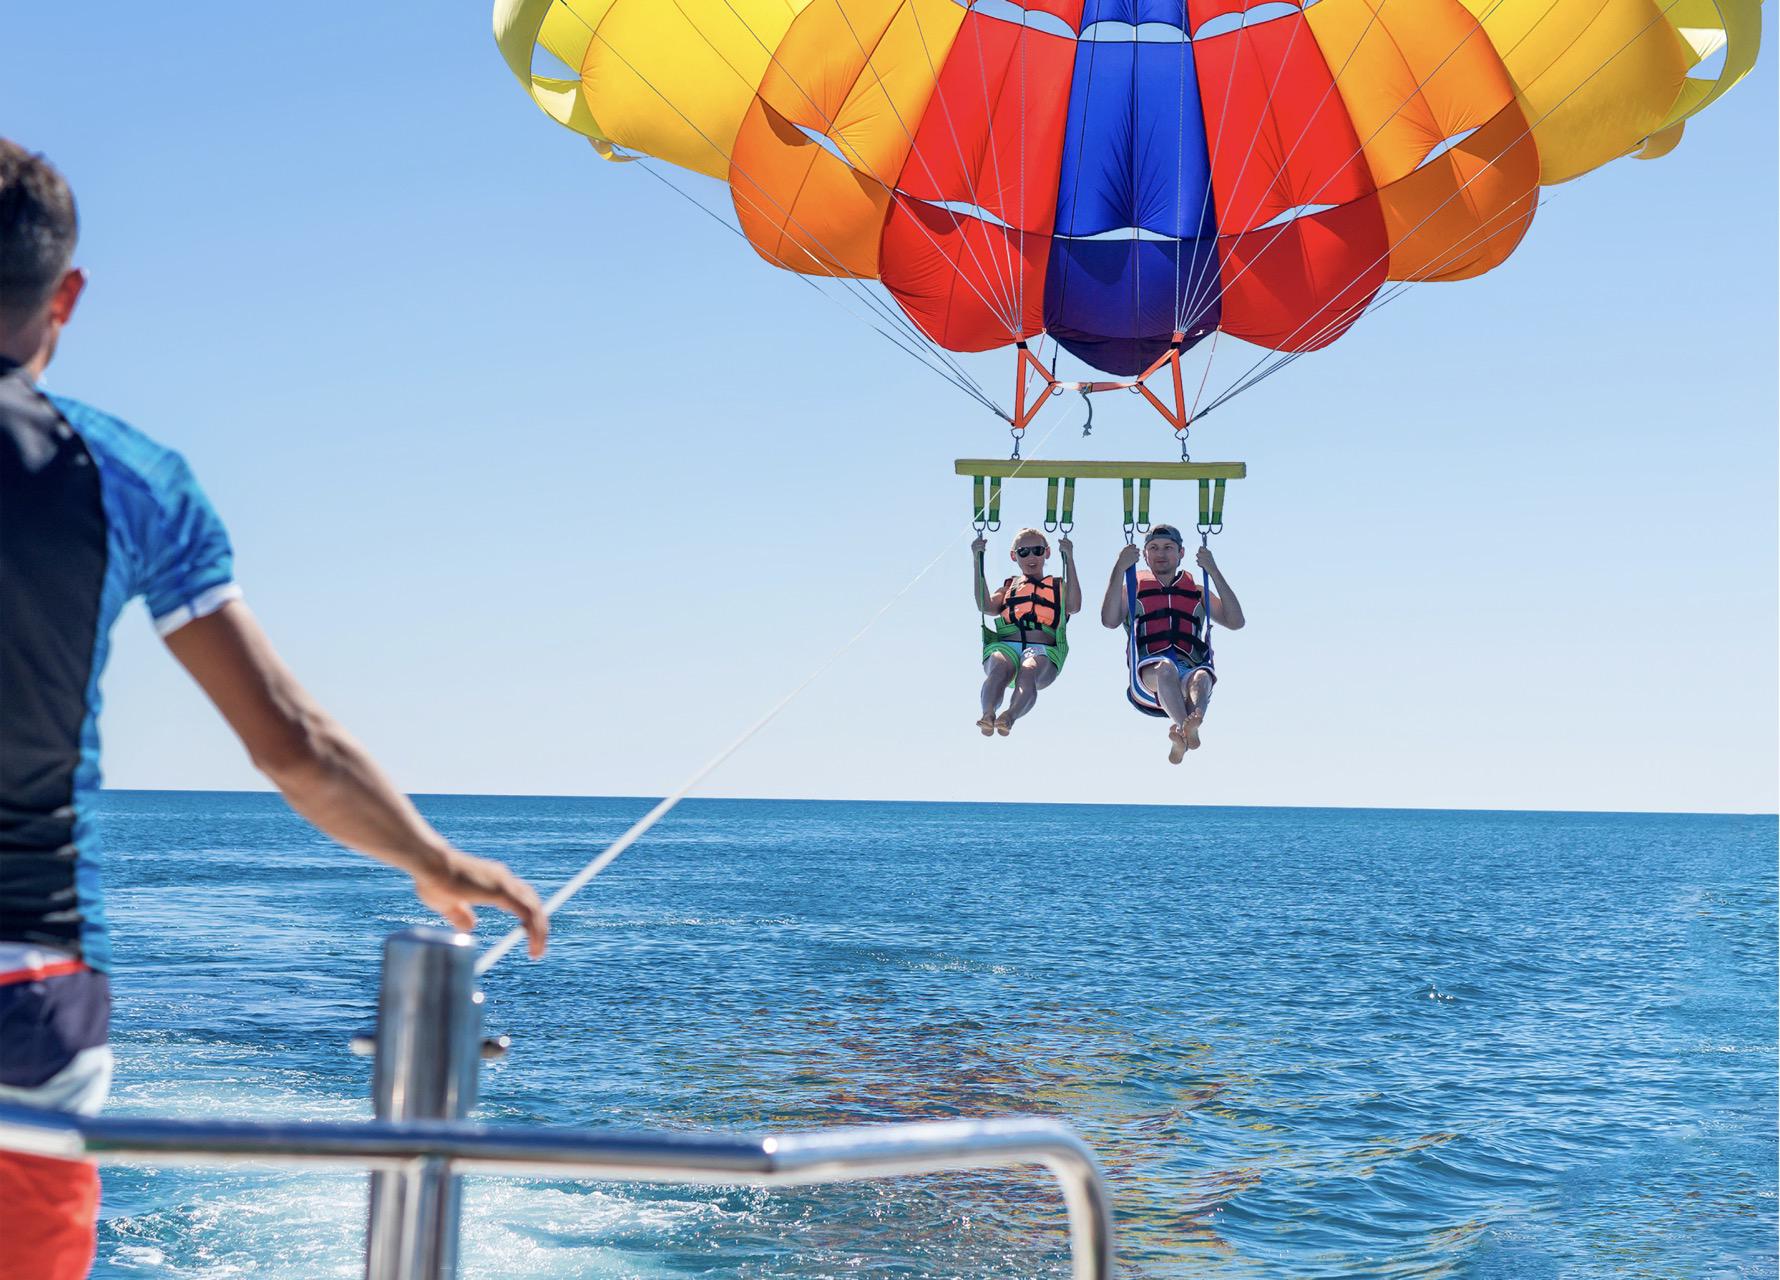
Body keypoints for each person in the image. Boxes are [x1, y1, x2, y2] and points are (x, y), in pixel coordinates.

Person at [0, 140, 550, 1280]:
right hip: (31, 994)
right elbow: (290, 742)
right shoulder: (131, 477)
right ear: (67, 296)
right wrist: (433, 855)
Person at [1101, 524, 1245, 764]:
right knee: (1166, 667)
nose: (1161, 553)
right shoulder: (1132, 589)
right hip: (1148, 675)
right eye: (1154, 548)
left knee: (1202, 676)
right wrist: (1120, 568)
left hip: (1188, 668)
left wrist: (1213, 570)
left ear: (1181, 553)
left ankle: (1188, 731)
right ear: (1145, 555)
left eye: (1168, 548)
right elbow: (1109, 620)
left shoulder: (1196, 592)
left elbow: (1236, 621)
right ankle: (1184, 726)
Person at [971, 527, 1081, 736]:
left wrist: (1069, 558)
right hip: (1006, 646)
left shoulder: (1059, 586)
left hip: (1043, 650)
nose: (1031, 556)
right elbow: (986, 606)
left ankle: (1009, 716)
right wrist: (977, 560)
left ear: (1047, 553)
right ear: (1014, 556)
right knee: (1000, 667)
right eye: (1024, 552)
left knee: (1028, 670)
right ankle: (987, 714)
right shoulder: (1008, 587)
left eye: (1037, 551)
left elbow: (1074, 606)